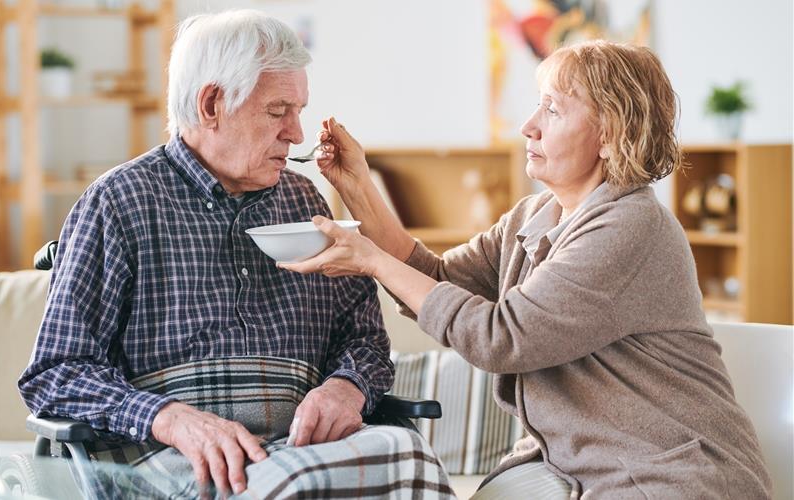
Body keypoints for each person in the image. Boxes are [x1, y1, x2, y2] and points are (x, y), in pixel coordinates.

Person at [281, 40, 772, 498]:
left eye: (553, 110)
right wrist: (358, 186)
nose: (529, 125)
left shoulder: (631, 226)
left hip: (667, 474)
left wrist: (371, 260)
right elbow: (436, 282)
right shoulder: (535, 214)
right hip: (580, 467)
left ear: (610, 136)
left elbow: (502, 338)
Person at [19, 10, 453, 499]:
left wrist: (345, 389)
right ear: (211, 103)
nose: (296, 132)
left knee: (410, 454)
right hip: (165, 459)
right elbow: (56, 373)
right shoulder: (119, 203)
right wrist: (170, 418)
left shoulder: (304, 202)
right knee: (295, 483)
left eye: (299, 110)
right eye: (277, 111)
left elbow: (364, 339)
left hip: (298, 448)